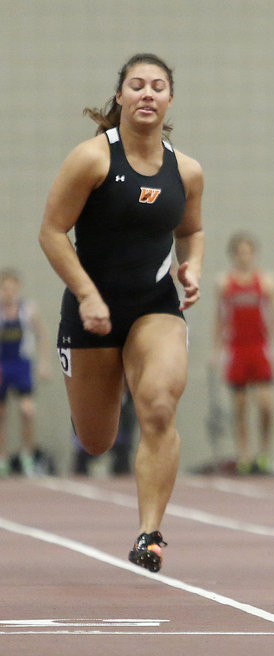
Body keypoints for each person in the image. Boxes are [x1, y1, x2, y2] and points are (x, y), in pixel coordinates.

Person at [38, 53, 205, 572]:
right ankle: (90, 398)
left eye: (158, 86)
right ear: (121, 96)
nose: (148, 94)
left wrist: (191, 268)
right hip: (92, 310)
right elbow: (51, 231)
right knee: (96, 439)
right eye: (137, 85)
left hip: (155, 307)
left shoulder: (188, 171)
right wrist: (86, 294)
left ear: (170, 99)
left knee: (158, 404)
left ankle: (149, 534)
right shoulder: (92, 159)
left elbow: (191, 231)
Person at [213, 232, 274, 475]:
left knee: (266, 405)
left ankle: (264, 451)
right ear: (234, 255)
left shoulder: (266, 281)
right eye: (240, 253)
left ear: (253, 255)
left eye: (248, 252)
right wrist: (217, 349)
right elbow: (219, 318)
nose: (244, 257)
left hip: (259, 347)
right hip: (237, 348)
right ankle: (244, 455)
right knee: (239, 406)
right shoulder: (224, 282)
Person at [0, 269, 51, 477]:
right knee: (1, 414)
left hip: (21, 365)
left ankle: (27, 455)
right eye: (6, 288)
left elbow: (42, 337)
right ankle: (2, 459)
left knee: (27, 410)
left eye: (13, 288)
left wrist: (44, 363)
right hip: (2, 365)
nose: (10, 292)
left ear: (18, 288)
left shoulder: (27, 310)